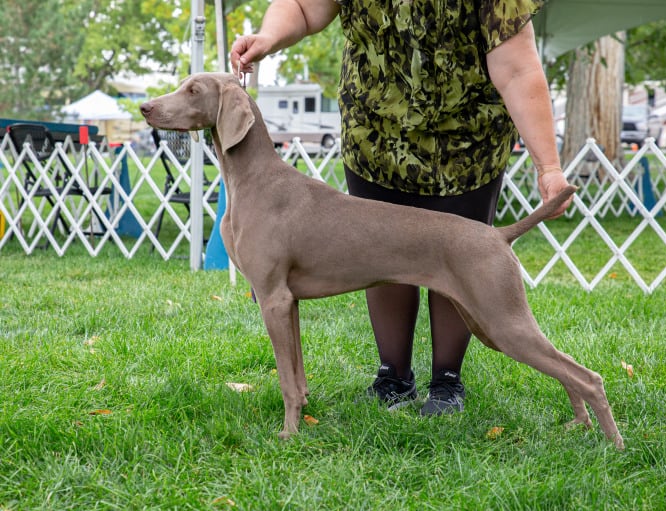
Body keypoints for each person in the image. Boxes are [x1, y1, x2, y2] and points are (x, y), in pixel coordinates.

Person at [231, 0, 572, 416]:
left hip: (464, 141)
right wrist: (268, 38)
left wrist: (548, 166)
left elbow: (517, 67)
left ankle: (447, 382)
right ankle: (393, 377)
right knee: (380, 256)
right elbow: (303, 7)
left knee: (458, 257)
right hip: (377, 135)